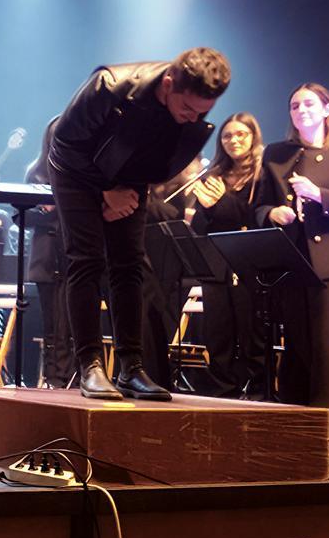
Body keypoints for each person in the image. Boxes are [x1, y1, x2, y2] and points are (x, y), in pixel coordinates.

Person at [48, 47, 229, 401]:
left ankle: (132, 368)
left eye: (202, 113)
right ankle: (90, 367)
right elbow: (64, 144)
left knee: (129, 263)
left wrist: (124, 193)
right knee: (87, 260)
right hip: (74, 171)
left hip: (129, 178)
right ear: (168, 83)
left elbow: (159, 163)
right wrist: (105, 192)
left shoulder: (187, 115)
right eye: (188, 108)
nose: (193, 118)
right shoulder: (109, 85)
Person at [254, 83, 329, 443]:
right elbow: (260, 206)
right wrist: (273, 213)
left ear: (328, 108)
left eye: (309, 103)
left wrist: (321, 196)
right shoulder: (276, 153)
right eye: (295, 104)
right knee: (296, 342)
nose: (301, 110)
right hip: (290, 258)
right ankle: (295, 424)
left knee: (325, 343)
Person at [187, 113, 265, 397]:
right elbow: (198, 227)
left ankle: (258, 393)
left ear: (253, 136)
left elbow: (257, 218)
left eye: (241, 134)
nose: (234, 140)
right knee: (217, 336)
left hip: (250, 264)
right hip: (217, 265)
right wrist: (208, 208)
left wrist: (223, 202)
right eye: (227, 136)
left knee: (253, 335)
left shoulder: (263, 172)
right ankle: (222, 395)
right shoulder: (214, 175)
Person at [26, 116, 74, 389]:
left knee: (71, 325)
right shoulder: (35, 173)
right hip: (46, 258)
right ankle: (55, 378)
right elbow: (20, 218)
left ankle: (72, 378)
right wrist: (42, 213)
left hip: (72, 256)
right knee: (52, 325)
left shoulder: (78, 171)